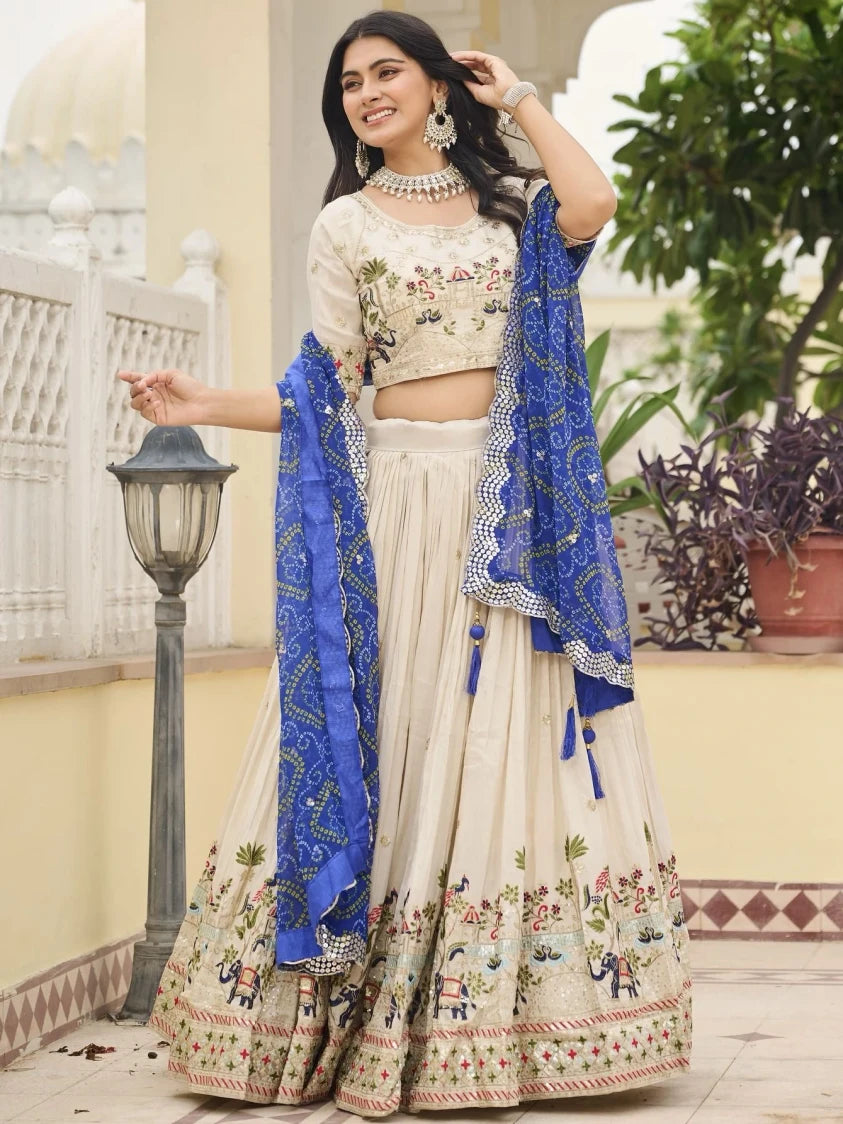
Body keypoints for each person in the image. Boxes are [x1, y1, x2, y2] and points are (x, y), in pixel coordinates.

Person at [118, 10, 692, 1117]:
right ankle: (344, 1009)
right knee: (394, 726)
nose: (368, 93)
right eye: (349, 83)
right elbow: (325, 389)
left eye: (389, 72)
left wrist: (516, 96)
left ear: (438, 86)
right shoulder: (344, 224)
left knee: (498, 737)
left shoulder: (509, 206)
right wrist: (204, 404)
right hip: (397, 508)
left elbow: (593, 203)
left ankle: (508, 1024)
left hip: (509, 509)